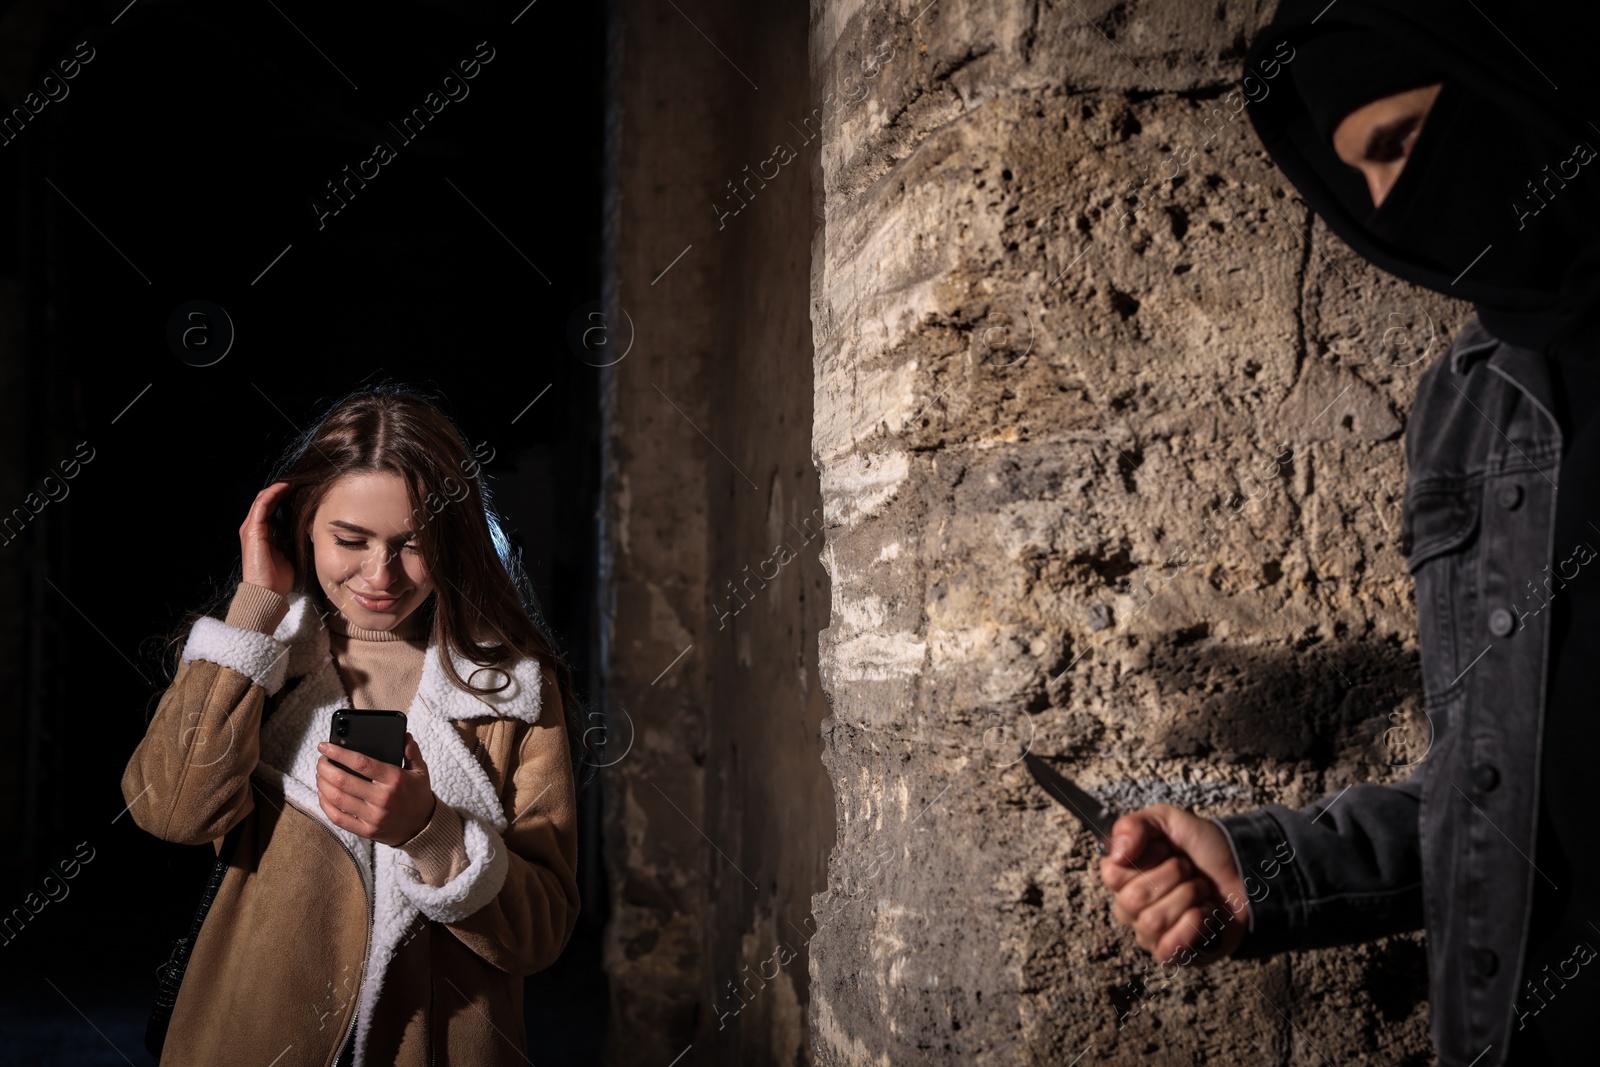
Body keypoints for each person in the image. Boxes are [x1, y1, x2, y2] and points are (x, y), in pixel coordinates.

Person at [1096, 2, 1600, 1065]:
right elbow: (1506, 779)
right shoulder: (1475, 403)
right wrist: (1271, 869)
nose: (1388, 210)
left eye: (1402, 146)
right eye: (1356, 181)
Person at [121, 384, 586, 1066]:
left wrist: (429, 832)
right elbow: (170, 810)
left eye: (413, 544)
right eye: (350, 539)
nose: (381, 574)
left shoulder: (512, 691)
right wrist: (257, 604)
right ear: (303, 523)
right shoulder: (263, 667)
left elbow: (540, 932)